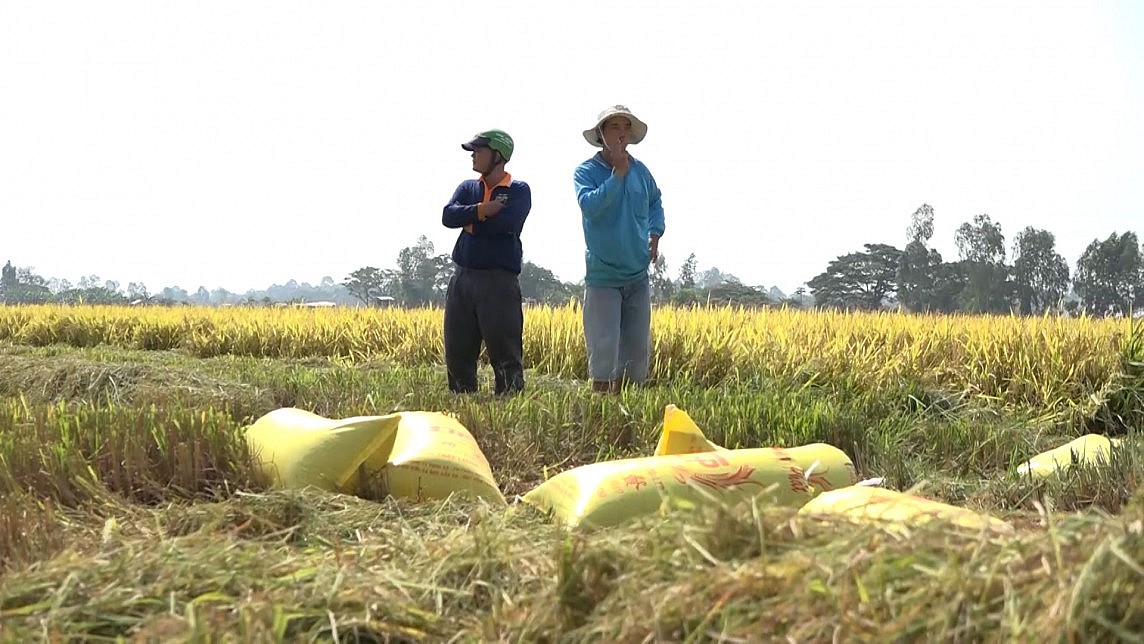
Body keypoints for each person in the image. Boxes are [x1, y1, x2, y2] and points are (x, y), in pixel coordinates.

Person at [573, 105, 665, 394]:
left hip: (637, 274)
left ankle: (629, 411)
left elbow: (655, 201)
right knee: (603, 350)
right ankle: (601, 410)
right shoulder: (586, 172)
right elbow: (590, 207)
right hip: (603, 275)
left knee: (636, 352)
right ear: (601, 134)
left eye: (626, 127)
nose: (621, 133)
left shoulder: (641, 172)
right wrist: (617, 176)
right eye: (614, 127)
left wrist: (655, 232)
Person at [441, 129, 532, 395]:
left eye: (478, 150)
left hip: (498, 282)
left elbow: (504, 225)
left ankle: (509, 402)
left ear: (498, 156)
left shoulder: (518, 190)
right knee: (457, 351)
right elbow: (448, 216)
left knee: (505, 353)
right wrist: (481, 211)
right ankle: (462, 402)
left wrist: (469, 223)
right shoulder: (468, 188)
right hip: (462, 278)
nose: (473, 155)